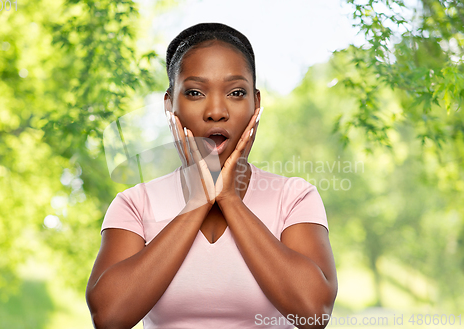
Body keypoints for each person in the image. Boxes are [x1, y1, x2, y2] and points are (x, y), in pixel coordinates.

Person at [86, 22, 337, 329]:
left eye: (235, 92)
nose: (216, 111)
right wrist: (198, 201)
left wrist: (229, 199)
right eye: (194, 92)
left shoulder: (295, 197)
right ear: (170, 106)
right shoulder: (135, 204)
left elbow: (314, 313)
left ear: (256, 104)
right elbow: (109, 318)